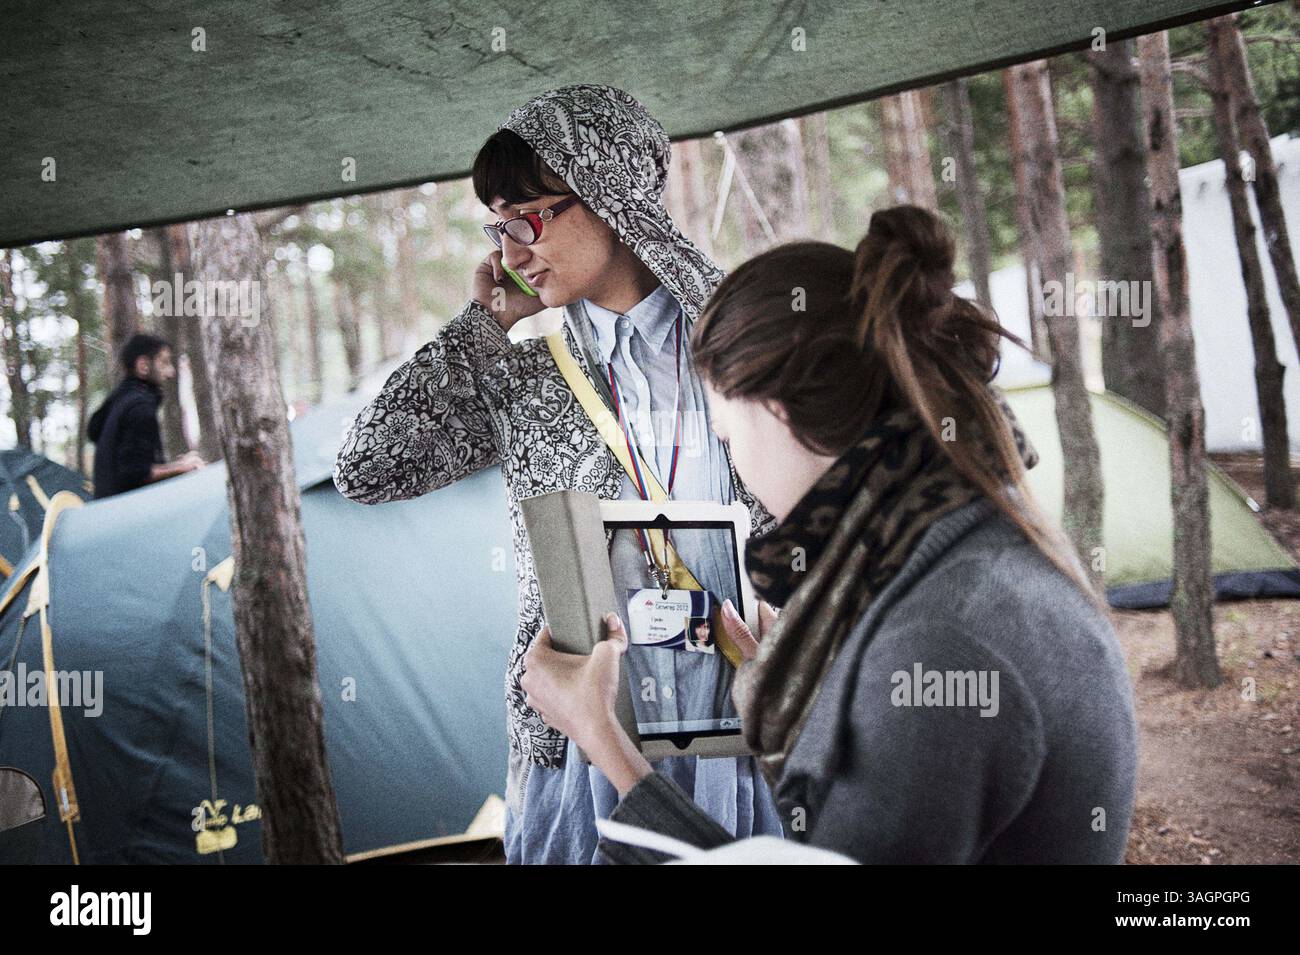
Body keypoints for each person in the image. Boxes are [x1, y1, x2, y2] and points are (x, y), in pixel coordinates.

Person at [520, 204, 1140, 864]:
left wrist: (602, 740)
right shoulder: (971, 537)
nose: (744, 476)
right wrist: (787, 677)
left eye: (730, 439)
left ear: (778, 412)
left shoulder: (936, 640)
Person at [332, 85, 785, 863]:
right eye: (497, 225)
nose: (509, 250)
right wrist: (483, 328)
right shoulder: (519, 377)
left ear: (608, 195)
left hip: (751, 733)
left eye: (527, 217)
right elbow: (366, 467)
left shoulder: (744, 343)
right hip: (579, 749)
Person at [88, 333, 204, 500]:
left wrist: (177, 466)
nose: (170, 372)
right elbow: (133, 474)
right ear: (143, 366)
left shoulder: (120, 402)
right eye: (164, 362)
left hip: (107, 510)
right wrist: (183, 467)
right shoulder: (140, 408)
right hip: (127, 514)